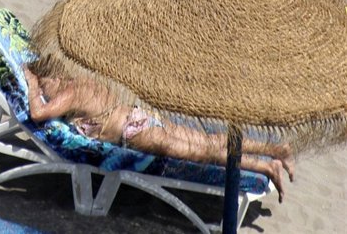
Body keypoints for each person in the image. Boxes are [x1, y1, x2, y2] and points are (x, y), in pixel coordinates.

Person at [24, 68, 294, 201]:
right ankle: (275, 150)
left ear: (51, 76)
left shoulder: (69, 93)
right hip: (143, 117)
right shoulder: (84, 82)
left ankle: (264, 165)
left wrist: (33, 83)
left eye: (47, 84)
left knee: (204, 153)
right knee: (207, 142)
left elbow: (38, 113)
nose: (47, 91)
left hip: (137, 134)